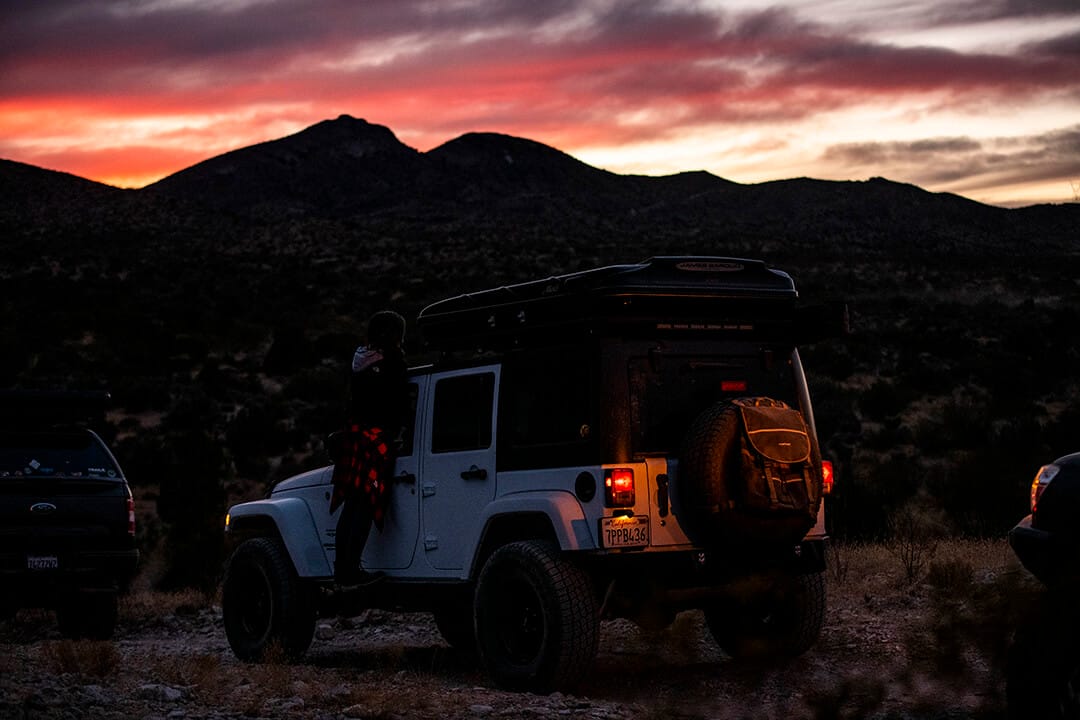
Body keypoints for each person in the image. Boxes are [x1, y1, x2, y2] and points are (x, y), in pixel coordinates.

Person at [330, 310, 408, 588]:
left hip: (355, 440)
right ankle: (350, 572)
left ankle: (343, 570)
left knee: (351, 506)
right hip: (375, 444)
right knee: (364, 505)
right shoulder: (392, 364)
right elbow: (398, 406)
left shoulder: (360, 362)